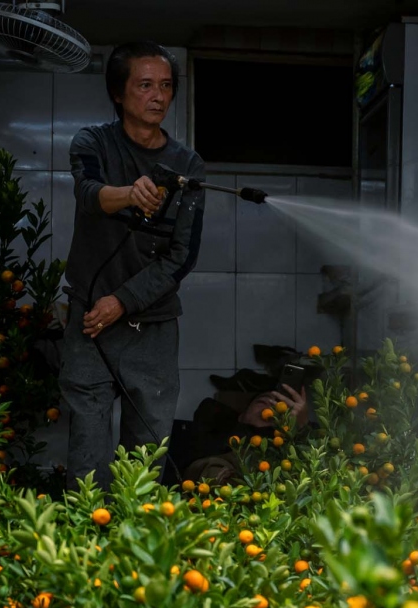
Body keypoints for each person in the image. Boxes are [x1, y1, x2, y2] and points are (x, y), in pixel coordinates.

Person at [61, 42, 206, 490]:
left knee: (147, 449)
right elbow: (88, 194)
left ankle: (137, 545)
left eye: (165, 86)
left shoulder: (187, 165)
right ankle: (80, 543)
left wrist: (122, 301)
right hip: (89, 322)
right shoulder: (93, 143)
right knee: (88, 441)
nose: (158, 96)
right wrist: (129, 193)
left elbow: (182, 256)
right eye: (144, 85)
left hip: (153, 325)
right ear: (119, 94)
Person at [179, 384, 309, 486]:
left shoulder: (286, 448)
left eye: (277, 405)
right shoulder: (218, 447)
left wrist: (300, 430)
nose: (271, 404)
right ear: (242, 416)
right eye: (262, 401)